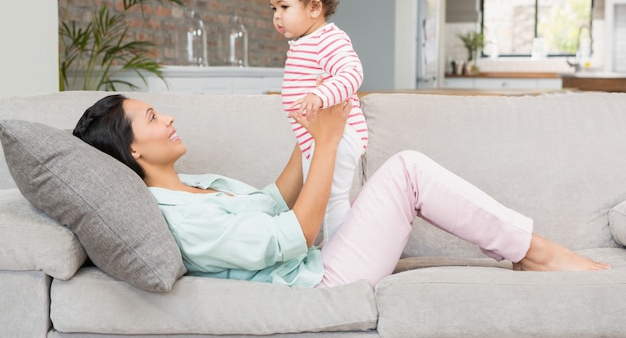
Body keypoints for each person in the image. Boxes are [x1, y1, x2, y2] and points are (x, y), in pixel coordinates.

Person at [73, 94, 610, 289]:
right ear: (135, 151)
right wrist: (327, 145)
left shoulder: (198, 188)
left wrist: (305, 137)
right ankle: (538, 253)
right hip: (323, 279)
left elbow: (273, 201)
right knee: (407, 171)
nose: (167, 118)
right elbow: (298, 231)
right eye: (150, 117)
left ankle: (527, 251)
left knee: (406, 172)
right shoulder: (178, 217)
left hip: (319, 258)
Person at [267, 0, 368, 243]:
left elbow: (352, 73)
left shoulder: (327, 38)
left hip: (338, 136)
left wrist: (320, 95)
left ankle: (341, 255)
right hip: (319, 140)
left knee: (332, 200)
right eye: (273, 9)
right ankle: (330, 250)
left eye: (283, 7)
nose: (277, 17)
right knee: (321, 200)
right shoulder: (304, 42)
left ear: (314, 7)